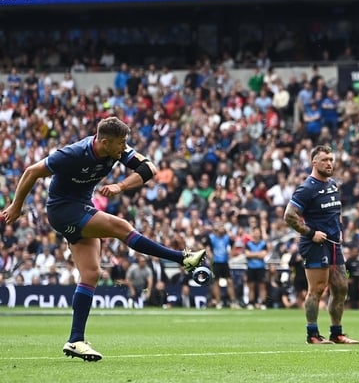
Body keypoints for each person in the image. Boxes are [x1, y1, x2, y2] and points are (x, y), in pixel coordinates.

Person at [0, 116, 206, 361]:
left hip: (82, 206)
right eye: (121, 143)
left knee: (91, 274)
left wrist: (121, 186)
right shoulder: (72, 154)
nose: (124, 147)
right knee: (120, 226)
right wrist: (16, 205)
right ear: (104, 141)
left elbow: (149, 168)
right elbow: (32, 171)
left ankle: (75, 340)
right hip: (62, 209)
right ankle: (182, 259)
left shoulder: (116, 150)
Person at [284, 145, 359, 344]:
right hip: (315, 244)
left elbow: (335, 210)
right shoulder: (307, 188)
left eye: (331, 159)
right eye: (325, 159)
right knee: (316, 289)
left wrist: (340, 228)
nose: (329, 163)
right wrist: (310, 232)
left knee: (341, 288)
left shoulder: (333, 184)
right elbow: (289, 216)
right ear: (314, 162)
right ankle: (313, 334)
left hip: (334, 244)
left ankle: (337, 332)